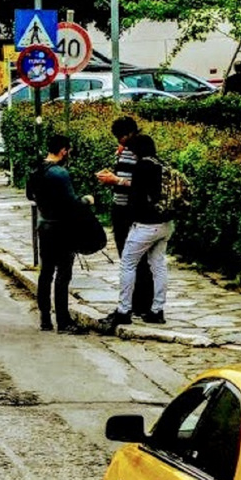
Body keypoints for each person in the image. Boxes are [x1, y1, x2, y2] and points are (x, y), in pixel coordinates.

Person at [26, 134, 89, 333]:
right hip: (62, 228)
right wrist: (88, 200)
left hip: (44, 225)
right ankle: (63, 320)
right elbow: (73, 203)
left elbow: (30, 195)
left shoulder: (36, 170)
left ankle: (45, 318)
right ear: (63, 150)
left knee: (46, 273)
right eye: (67, 150)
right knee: (63, 273)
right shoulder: (60, 173)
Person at [110, 134, 171, 330]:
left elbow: (134, 198)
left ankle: (124, 310)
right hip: (166, 224)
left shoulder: (141, 167)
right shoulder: (162, 164)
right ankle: (157, 310)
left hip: (145, 225)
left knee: (128, 263)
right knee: (159, 265)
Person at [95, 117, 153, 322]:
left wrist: (116, 180)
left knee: (133, 259)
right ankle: (139, 303)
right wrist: (112, 178)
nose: (120, 141)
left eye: (121, 137)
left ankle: (138, 304)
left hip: (129, 210)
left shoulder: (139, 152)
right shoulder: (127, 151)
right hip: (120, 207)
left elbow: (140, 183)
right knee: (131, 257)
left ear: (129, 134)